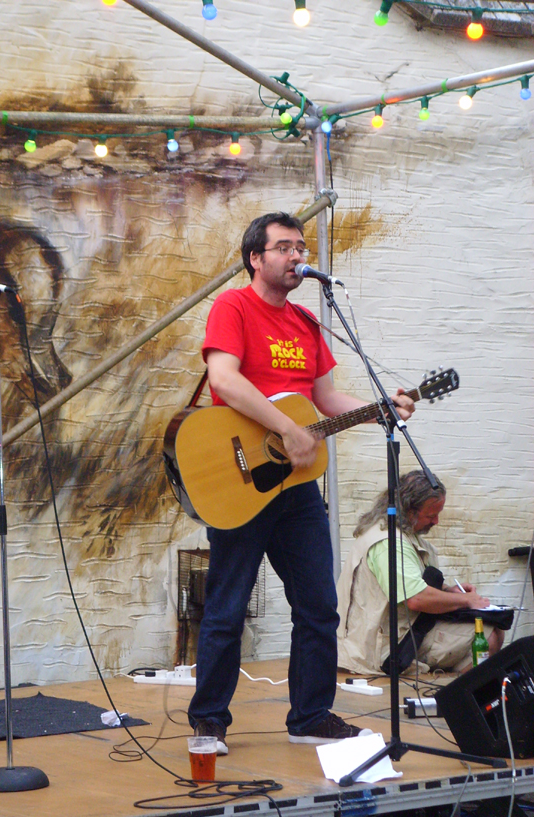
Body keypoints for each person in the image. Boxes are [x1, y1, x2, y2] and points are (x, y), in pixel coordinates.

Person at [187, 211, 415, 753]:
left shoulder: (308, 324)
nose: (296, 256)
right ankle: (209, 722)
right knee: (226, 605)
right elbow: (223, 378)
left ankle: (311, 715)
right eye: (284, 247)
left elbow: (327, 400)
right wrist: (288, 429)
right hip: (242, 478)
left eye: (300, 247)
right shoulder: (233, 307)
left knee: (318, 602)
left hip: (296, 490)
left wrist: (382, 408)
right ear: (255, 258)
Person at [336, 470, 507, 676]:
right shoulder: (388, 543)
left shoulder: (403, 535)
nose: (436, 522)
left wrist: (450, 591)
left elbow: (409, 581)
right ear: (409, 510)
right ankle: (462, 696)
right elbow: (415, 599)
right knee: (488, 636)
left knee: (493, 627)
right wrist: (466, 601)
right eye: (431, 515)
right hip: (380, 649)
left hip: (405, 631)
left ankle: (459, 689)